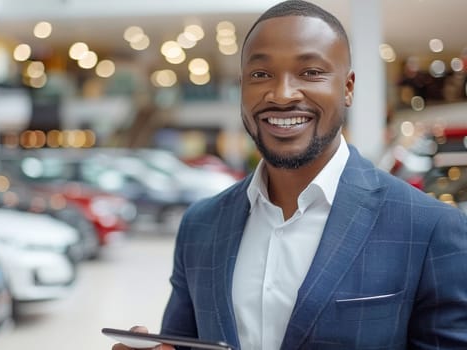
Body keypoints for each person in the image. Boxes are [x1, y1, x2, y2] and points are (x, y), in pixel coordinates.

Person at [111, 1, 467, 349]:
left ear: (348, 88)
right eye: (261, 74)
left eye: (310, 72)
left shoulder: (430, 228)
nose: (281, 94)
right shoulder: (199, 226)